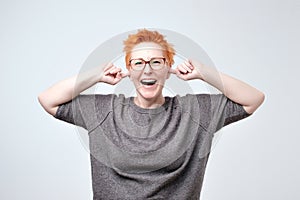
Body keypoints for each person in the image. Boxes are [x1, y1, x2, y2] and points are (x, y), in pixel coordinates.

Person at [38, 29, 264, 200]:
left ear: (168, 69)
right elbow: (48, 100)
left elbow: (253, 99)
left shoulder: (195, 112)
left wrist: (204, 73)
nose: (148, 70)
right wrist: (96, 75)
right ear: (130, 70)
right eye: (138, 63)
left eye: (157, 62)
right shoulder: (104, 110)